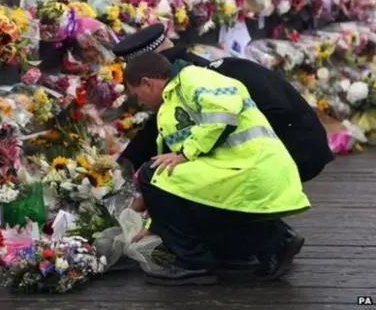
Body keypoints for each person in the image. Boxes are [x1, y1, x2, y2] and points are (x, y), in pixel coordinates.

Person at [124, 51, 310, 285]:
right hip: (239, 169)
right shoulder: (174, 97)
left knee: (153, 173)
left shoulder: (194, 78)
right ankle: (273, 241)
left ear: (147, 83)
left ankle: (192, 263)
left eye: (137, 95)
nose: (140, 102)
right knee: (164, 178)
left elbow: (223, 115)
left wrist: (184, 153)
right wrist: (154, 226)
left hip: (250, 169)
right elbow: (172, 188)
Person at [114, 23, 334, 182]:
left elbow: (159, 132)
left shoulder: (190, 80)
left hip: (295, 151)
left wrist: (121, 169)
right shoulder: (202, 68)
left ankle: (273, 237)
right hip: (304, 141)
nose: (141, 100)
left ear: (151, 76)